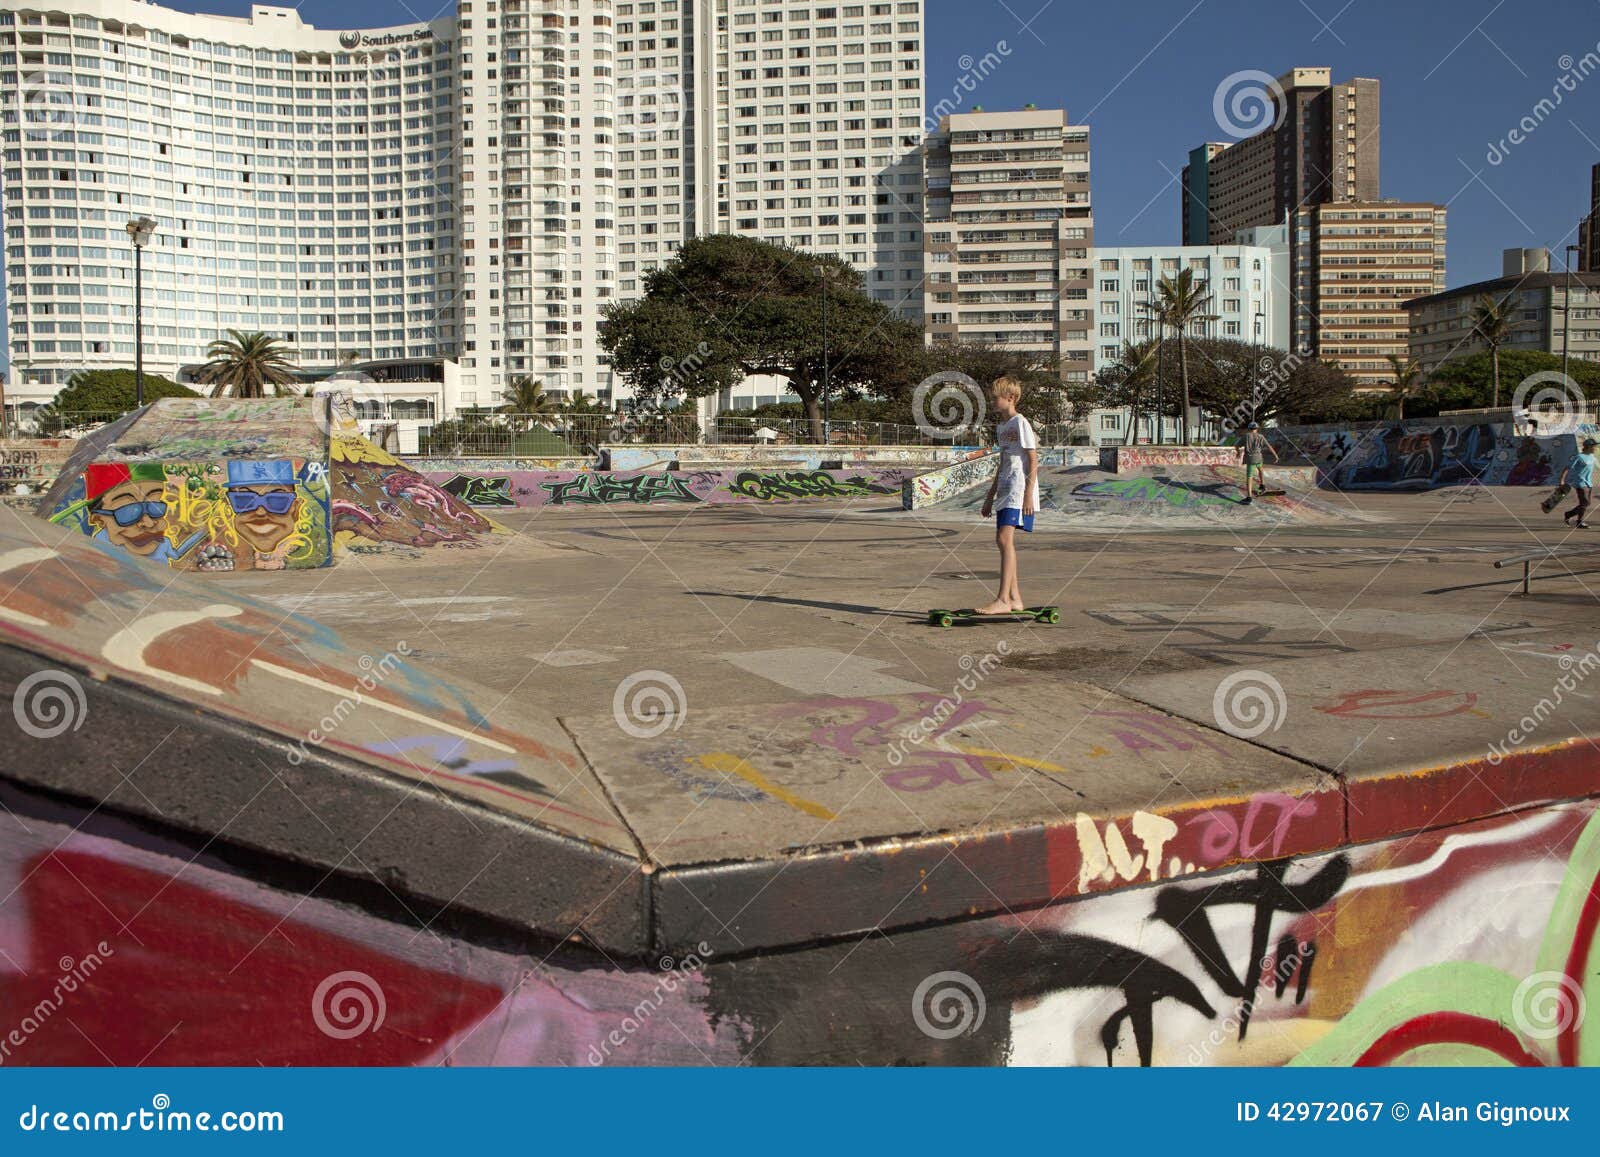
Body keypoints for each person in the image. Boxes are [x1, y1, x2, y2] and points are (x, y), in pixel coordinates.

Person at [977, 376, 1038, 616]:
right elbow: (1002, 462)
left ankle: (1003, 599)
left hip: (1018, 488)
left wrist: (1028, 495)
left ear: (1010, 398)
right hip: (1004, 487)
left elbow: (1033, 458)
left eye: (996, 397)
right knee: (1002, 540)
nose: (992, 401)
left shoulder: (1020, 422)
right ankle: (1015, 598)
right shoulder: (1002, 427)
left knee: (1004, 539)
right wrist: (990, 495)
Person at [1561, 437, 1597, 529]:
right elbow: (1567, 468)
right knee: (1585, 503)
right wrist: (1562, 480)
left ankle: (1574, 518)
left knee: (1586, 503)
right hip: (1580, 483)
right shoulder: (1579, 457)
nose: (1595, 448)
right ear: (1588, 447)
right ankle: (1574, 518)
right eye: (1594, 446)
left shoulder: (1592, 457)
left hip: (1589, 483)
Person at [1238, 421, 1278, 504]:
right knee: (1260, 469)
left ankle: (1249, 497)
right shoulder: (1261, 436)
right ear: (1257, 429)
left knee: (1249, 477)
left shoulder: (1246, 436)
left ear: (1249, 429)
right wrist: (1275, 455)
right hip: (1259, 457)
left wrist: (1238, 453)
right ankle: (1262, 485)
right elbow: (1269, 446)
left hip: (1250, 459)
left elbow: (1236, 445)